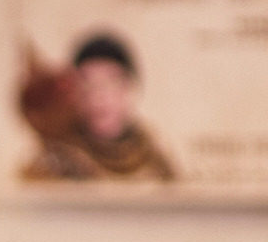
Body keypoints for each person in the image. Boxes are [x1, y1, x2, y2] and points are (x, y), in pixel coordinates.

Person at [19, 33, 177, 183]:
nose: (98, 96)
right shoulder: (55, 164)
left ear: (129, 88)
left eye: (110, 83)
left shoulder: (157, 160)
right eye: (87, 85)